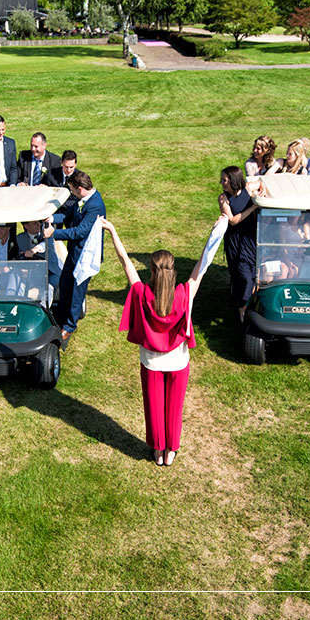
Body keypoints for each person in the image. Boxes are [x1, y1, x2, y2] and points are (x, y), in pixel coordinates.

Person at [101, 216, 212, 467]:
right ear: (173, 271)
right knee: (174, 407)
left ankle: (158, 449)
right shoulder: (184, 293)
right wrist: (213, 235)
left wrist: (113, 232)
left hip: (151, 361)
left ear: (151, 271)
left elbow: (126, 263)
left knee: (154, 407)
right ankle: (170, 452)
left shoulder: (141, 293)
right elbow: (200, 268)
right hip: (178, 362)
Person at [43, 170, 105, 347]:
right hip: (75, 252)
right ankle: (60, 317)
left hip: (85, 255)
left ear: (80, 189)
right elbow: (68, 215)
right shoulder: (82, 200)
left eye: (72, 190)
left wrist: (55, 233)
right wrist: (52, 217)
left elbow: (80, 232)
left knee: (77, 291)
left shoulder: (95, 205)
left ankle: (69, 326)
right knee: (65, 283)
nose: (71, 193)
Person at [218, 166, 258, 322]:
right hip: (235, 239)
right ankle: (240, 304)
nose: (221, 183)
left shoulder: (248, 189)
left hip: (250, 237)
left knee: (253, 270)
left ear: (234, 180)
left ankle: (247, 301)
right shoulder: (224, 198)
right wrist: (253, 206)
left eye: (225, 180)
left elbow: (261, 184)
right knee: (238, 272)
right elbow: (233, 220)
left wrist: (261, 194)